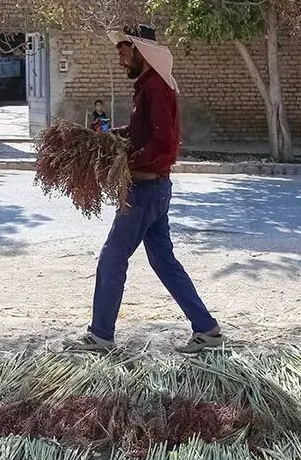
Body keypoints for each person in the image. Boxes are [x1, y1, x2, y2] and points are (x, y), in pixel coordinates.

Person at [65, 25, 225, 354]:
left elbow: (165, 145)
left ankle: (101, 336)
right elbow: (142, 134)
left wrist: (127, 162)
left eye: (124, 53)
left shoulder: (156, 89)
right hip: (154, 190)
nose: (121, 60)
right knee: (164, 262)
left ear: (141, 51)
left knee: (112, 258)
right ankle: (207, 329)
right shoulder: (148, 87)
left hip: (145, 191)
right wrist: (108, 138)